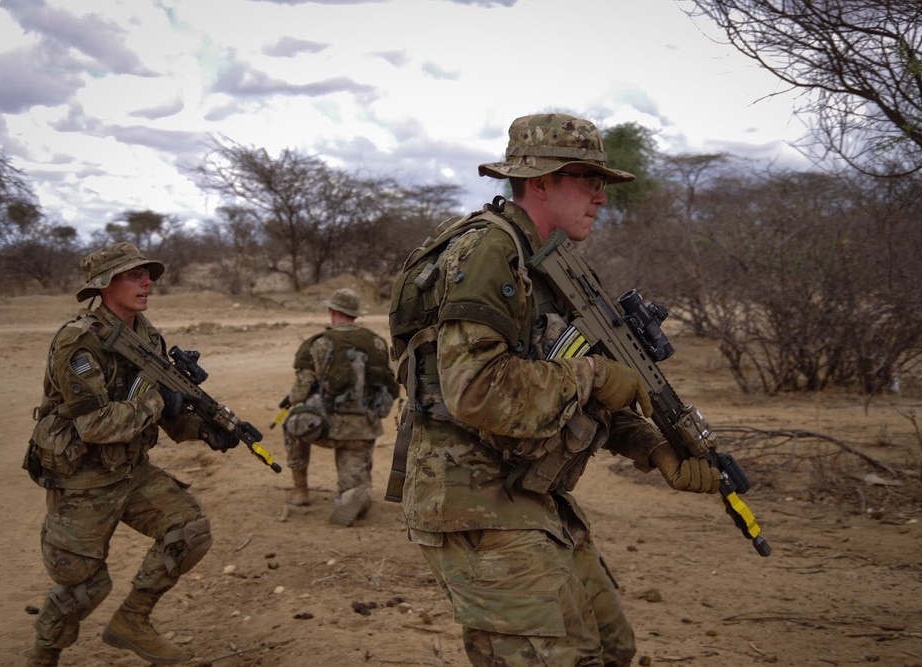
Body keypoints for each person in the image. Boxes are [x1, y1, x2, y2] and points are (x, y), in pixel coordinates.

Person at [389, 113, 722, 666]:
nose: (601, 198)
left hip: (529, 492)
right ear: (539, 181)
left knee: (611, 647)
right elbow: (475, 391)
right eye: (589, 181)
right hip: (474, 500)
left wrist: (651, 447)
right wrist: (594, 374)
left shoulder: (550, 264)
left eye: (603, 185)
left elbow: (562, 380)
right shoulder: (488, 253)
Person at [25, 242, 239, 666]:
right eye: (133, 275)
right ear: (104, 284)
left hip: (131, 471)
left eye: (148, 275)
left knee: (189, 530)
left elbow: (160, 410)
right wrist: (160, 400)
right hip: (83, 478)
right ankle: (44, 654)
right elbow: (96, 425)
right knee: (84, 586)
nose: (146, 283)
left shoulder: (146, 334)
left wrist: (202, 429)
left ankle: (133, 621)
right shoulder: (79, 342)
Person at [282, 287, 399, 526]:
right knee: (354, 488)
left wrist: (299, 402)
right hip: (362, 431)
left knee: (293, 421)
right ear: (355, 314)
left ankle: (301, 491)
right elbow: (391, 387)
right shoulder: (377, 343)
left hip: (323, 427)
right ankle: (356, 495)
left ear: (333, 312)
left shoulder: (319, 344)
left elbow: (301, 390)